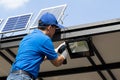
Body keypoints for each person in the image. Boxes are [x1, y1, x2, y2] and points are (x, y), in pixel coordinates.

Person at [7, 12, 68, 80]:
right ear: (50, 27)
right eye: (55, 28)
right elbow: (57, 62)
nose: (55, 31)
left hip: (12, 76)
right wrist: (65, 52)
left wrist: (54, 51)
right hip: (23, 77)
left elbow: (33, 56)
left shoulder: (27, 37)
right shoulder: (45, 39)